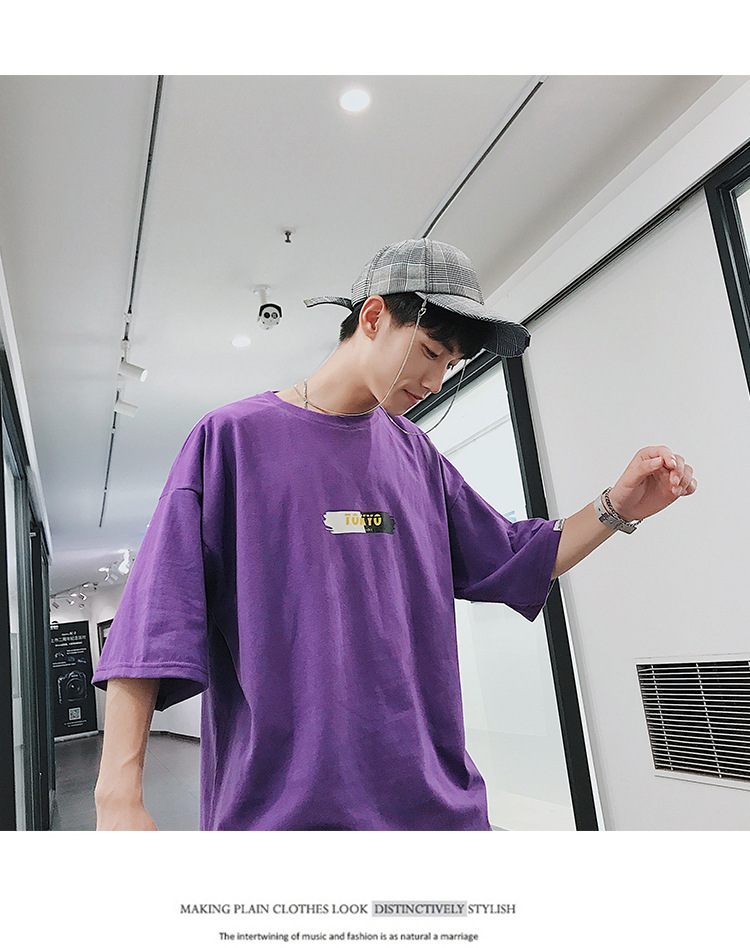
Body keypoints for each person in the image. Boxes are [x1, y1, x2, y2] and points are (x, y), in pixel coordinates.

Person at [92, 238, 697, 831]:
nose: (436, 381)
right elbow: (155, 619)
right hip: (283, 815)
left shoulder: (416, 456)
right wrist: (117, 795)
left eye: (451, 365)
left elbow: (518, 555)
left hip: (432, 811)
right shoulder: (233, 440)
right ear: (374, 317)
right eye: (430, 352)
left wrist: (617, 507)